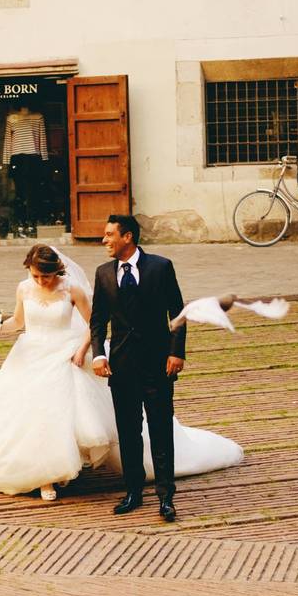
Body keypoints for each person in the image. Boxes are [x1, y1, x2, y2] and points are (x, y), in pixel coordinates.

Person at [0, 242, 243, 512]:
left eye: (46, 276)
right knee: (31, 413)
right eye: (36, 276)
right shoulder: (24, 289)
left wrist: (82, 349)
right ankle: (43, 476)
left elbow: (94, 324)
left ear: (57, 271)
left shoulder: (72, 290)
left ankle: (62, 469)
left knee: (57, 412)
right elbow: (19, 322)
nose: (41, 282)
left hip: (65, 351)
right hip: (31, 354)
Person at [90, 214, 185, 521]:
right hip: (121, 364)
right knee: (128, 432)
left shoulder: (160, 267)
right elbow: (97, 321)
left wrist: (176, 352)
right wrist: (98, 355)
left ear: (127, 237)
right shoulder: (104, 273)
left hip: (157, 363)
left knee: (160, 429)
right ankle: (133, 492)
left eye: (108, 235)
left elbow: (178, 312)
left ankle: (165, 496)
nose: (104, 241)